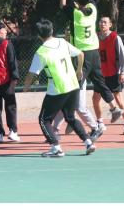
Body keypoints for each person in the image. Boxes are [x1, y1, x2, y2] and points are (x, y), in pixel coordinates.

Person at [59, 0, 124, 138]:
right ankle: (113, 107)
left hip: (82, 55)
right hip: (95, 52)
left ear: (77, 3)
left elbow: (62, 5)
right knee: (99, 81)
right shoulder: (93, 10)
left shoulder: (76, 15)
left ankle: (73, 119)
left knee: (75, 87)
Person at [23, 18, 96, 158]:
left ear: (39, 35)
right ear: (52, 30)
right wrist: (79, 70)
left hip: (57, 89)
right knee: (70, 117)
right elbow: (81, 54)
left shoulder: (41, 52)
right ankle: (88, 142)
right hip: (73, 85)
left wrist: (26, 87)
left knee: (44, 120)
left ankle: (56, 148)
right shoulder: (62, 42)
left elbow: (32, 74)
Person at [92, 16, 124, 135]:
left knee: (118, 99)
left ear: (110, 25)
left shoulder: (115, 37)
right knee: (95, 98)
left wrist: (123, 71)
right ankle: (100, 123)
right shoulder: (95, 37)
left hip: (113, 73)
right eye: (101, 22)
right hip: (100, 74)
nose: (102, 24)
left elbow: (122, 56)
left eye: (105, 22)